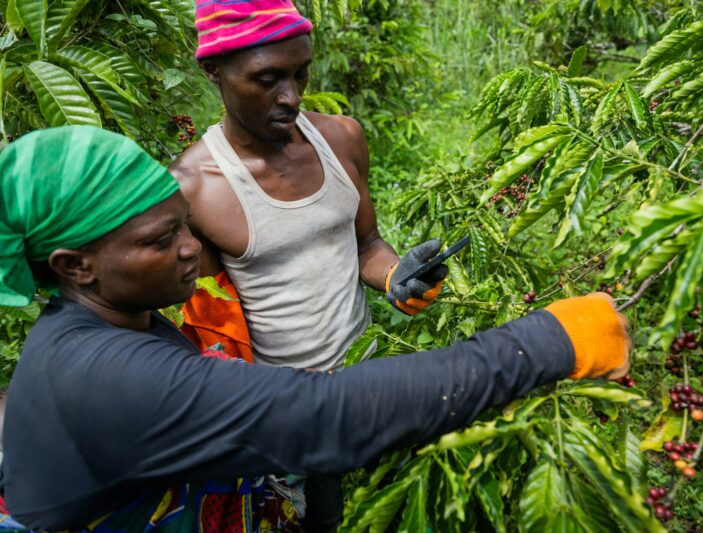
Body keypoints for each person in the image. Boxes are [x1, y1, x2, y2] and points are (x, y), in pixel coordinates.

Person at [0, 126, 630, 531]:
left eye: (185, 225)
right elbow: (328, 416)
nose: (193, 249)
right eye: (163, 240)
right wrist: (547, 341)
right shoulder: (103, 373)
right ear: (75, 267)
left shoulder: (110, 323)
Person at [170, 0, 448, 373]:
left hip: (368, 377)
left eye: (300, 73)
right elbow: (214, 322)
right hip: (279, 402)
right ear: (213, 70)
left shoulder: (342, 139)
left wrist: (396, 275)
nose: (292, 96)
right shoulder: (193, 189)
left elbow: (366, 244)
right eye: (267, 80)